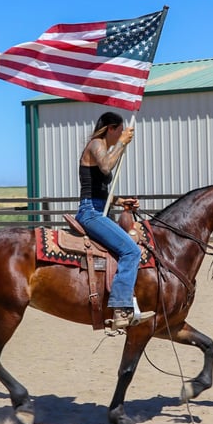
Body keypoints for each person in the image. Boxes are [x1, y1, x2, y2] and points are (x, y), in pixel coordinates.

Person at [75, 111, 155, 331]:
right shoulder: (96, 145)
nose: (122, 134)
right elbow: (106, 167)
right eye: (119, 131)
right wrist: (122, 143)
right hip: (91, 212)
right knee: (131, 251)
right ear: (111, 128)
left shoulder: (101, 147)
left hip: (99, 208)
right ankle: (120, 309)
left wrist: (120, 201)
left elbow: (100, 189)